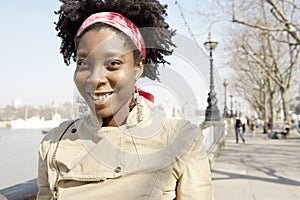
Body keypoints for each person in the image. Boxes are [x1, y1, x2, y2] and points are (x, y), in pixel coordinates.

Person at [36, 0, 214, 199]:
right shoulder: (54, 143)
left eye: (113, 63)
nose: (95, 78)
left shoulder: (181, 139)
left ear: (138, 67)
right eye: (83, 63)